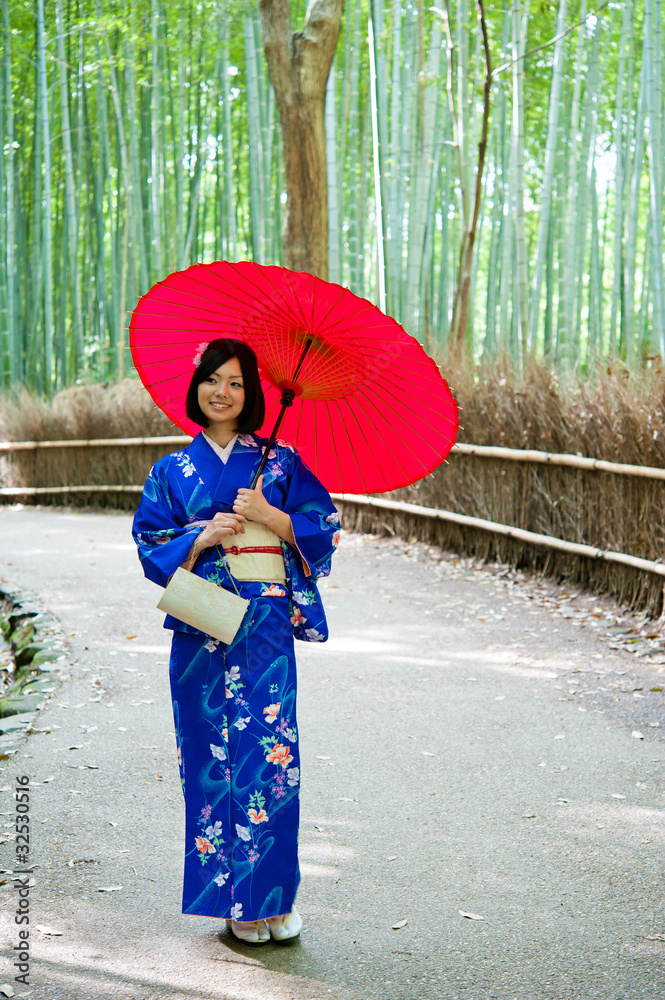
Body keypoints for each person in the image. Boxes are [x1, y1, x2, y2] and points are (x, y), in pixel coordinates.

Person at [132, 338, 339, 944]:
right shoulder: (171, 470)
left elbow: (323, 525)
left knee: (273, 757)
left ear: (252, 396)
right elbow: (149, 543)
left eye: (237, 383)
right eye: (213, 380)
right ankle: (237, 905)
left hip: (266, 621)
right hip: (203, 621)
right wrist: (202, 535)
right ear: (197, 386)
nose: (223, 392)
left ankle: (275, 897)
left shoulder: (281, 462)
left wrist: (275, 519)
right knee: (210, 758)